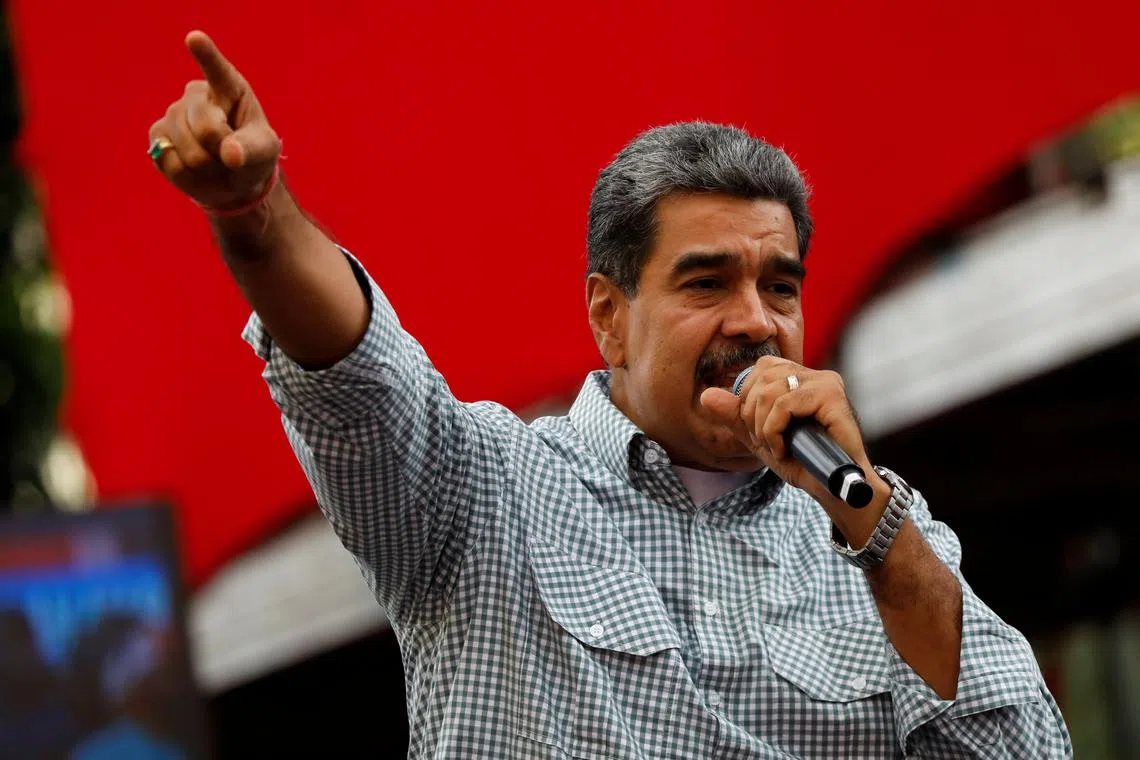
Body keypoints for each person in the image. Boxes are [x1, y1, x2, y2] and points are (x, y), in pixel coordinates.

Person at [147, 30, 1072, 759]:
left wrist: (877, 533)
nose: (757, 321)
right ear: (609, 317)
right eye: (707, 284)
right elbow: (354, 372)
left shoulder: (879, 541)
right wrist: (254, 215)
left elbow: (1024, 749)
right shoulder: (481, 493)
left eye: (780, 286)